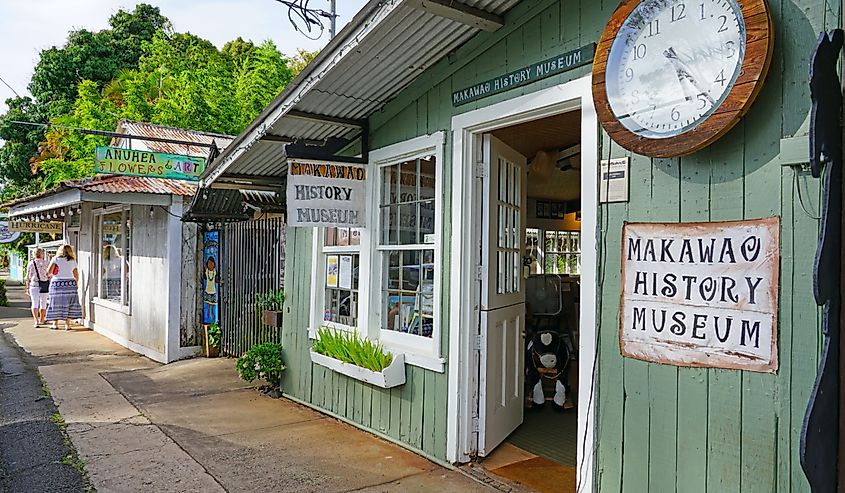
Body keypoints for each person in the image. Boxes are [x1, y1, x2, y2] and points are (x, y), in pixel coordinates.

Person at [45, 244, 82, 331]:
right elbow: (76, 274)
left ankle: (55, 323)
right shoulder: (72, 261)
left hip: (57, 283)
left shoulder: (56, 259)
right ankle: (67, 324)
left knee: (55, 303)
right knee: (69, 303)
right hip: (70, 283)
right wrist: (76, 283)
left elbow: (49, 271)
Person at [25, 248, 49, 327]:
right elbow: (49, 275)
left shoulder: (31, 263)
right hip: (44, 285)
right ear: (42, 254)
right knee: (43, 303)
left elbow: (27, 277)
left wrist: (27, 287)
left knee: (34, 303)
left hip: (33, 285)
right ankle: (42, 319)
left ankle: (36, 321)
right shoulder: (46, 263)